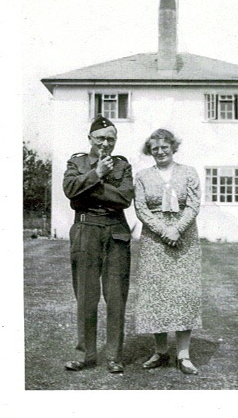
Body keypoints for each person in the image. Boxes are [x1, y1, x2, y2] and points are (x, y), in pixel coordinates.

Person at [63, 115, 134, 373]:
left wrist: (88, 188)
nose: (106, 143)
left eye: (111, 139)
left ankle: (114, 356)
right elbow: (70, 190)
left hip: (116, 233)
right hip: (85, 231)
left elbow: (125, 197)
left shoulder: (123, 166)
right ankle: (85, 355)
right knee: (86, 296)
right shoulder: (78, 161)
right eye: (101, 138)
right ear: (90, 139)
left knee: (116, 298)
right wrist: (97, 174)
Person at [134, 129, 202, 375]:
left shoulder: (189, 172)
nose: (160, 152)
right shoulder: (142, 176)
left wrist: (177, 230)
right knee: (157, 293)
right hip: (154, 240)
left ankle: (183, 355)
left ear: (173, 147)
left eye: (165, 147)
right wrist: (164, 230)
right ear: (149, 151)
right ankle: (160, 351)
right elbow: (141, 208)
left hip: (185, 239)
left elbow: (193, 204)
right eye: (155, 148)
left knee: (183, 293)